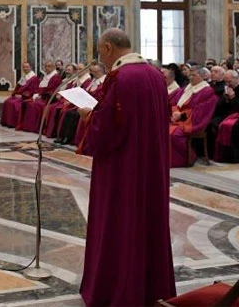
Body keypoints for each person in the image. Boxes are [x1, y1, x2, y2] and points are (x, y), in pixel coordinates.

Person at [76, 29, 175, 306]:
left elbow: (107, 131)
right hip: (151, 165)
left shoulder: (119, 77)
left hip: (122, 169)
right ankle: (151, 289)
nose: (100, 57)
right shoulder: (156, 75)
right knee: (148, 222)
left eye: (99, 51)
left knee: (120, 223)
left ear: (108, 47)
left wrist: (88, 117)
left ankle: (117, 290)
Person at [170, 67, 216, 167]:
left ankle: (185, 159)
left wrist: (181, 115)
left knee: (173, 135)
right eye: (190, 75)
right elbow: (174, 102)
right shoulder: (187, 88)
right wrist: (175, 112)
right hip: (178, 119)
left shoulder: (207, 91)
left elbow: (200, 112)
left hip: (192, 122)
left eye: (194, 75)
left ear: (202, 76)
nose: (190, 77)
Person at [56, 62, 105, 146]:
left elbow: (100, 97)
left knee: (74, 114)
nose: (94, 74)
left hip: (93, 106)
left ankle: (69, 138)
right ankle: (63, 136)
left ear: (101, 72)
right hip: (85, 103)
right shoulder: (94, 80)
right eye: (93, 72)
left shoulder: (102, 82)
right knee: (69, 113)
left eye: (96, 72)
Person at [17, 61, 61, 132]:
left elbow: (52, 90)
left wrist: (41, 95)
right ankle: (27, 126)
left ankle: (33, 127)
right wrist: (37, 94)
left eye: (49, 66)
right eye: (46, 66)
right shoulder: (46, 76)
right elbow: (39, 88)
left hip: (47, 99)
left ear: (53, 67)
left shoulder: (55, 77)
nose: (47, 68)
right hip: (40, 97)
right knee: (27, 103)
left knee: (33, 105)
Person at [0, 61, 38, 127]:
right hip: (19, 95)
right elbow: (18, 87)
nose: (25, 68)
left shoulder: (34, 78)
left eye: (27, 67)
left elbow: (33, 90)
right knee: (7, 101)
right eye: (24, 67)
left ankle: (12, 123)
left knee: (13, 104)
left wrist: (22, 95)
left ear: (31, 67)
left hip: (26, 97)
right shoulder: (23, 77)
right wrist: (15, 93)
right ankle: (6, 122)